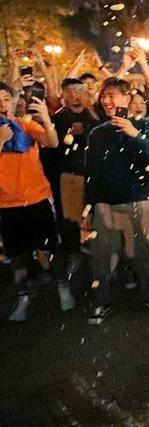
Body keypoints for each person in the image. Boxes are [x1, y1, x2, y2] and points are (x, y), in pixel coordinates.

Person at [85, 77, 149, 325]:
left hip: (139, 201)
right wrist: (89, 207)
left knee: (144, 254)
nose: (107, 101)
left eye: (112, 95)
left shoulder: (147, 126)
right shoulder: (98, 133)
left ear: (127, 98)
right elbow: (92, 173)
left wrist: (134, 133)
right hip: (106, 204)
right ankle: (103, 301)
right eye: (104, 96)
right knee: (103, 257)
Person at [0, 81, 61, 321]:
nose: (2, 103)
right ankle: (23, 296)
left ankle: (61, 286)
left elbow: (53, 142)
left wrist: (45, 118)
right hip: (6, 203)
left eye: (6, 98)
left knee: (47, 249)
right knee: (17, 255)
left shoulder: (25, 124)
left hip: (37, 198)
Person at [49, 78, 101, 306]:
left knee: (96, 223)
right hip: (69, 177)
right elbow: (53, 150)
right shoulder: (58, 118)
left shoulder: (94, 117)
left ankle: (97, 268)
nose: (76, 95)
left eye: (80, 90)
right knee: (70, 223)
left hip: (93, 176)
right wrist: (69, 134)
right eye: (70, 91)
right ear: (63, 95)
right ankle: (71, 263)